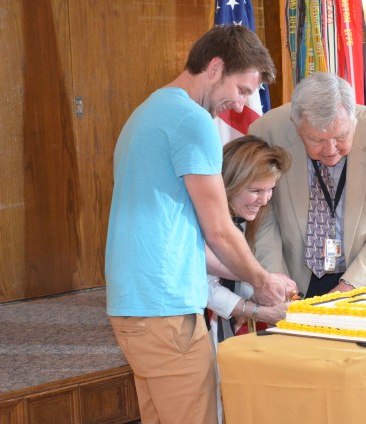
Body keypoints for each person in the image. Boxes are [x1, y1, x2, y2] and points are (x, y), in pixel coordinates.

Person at [105, 25, 292, 424]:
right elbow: (219, 230)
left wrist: (262, 280)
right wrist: (261, 281)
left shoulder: (149, 111)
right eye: (241, 90)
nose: (240, 104)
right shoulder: (192, 121)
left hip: (137, 306)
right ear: (215, 66)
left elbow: (183, 239)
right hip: (165, 308)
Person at [249, 72, 366, 299]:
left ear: (353, 118)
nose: (330, 150)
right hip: (297, 278)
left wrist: (349, 287)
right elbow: (264, 221)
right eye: (316, 140)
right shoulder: (267, 133)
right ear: (297, 128)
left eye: (340, 137)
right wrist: (277, 280)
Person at [206, 135, 294, 424]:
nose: (264, 200)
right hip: (198, 331)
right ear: (229, 183)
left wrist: (270, 286)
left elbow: (237, 274)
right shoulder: (205, 223)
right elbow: (203, 286)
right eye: (256, 190)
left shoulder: (239, 220)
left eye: (270, 190)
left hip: (226, 332)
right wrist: (258, 310)